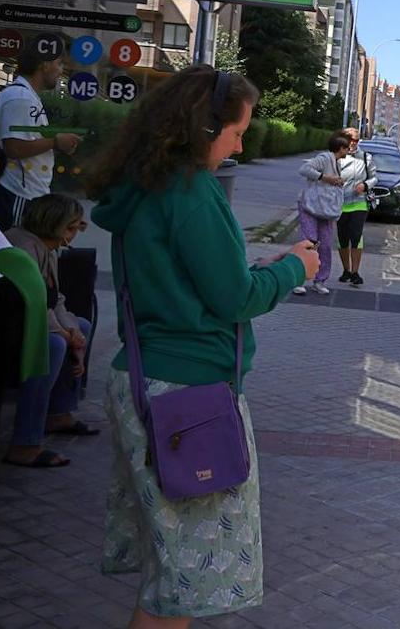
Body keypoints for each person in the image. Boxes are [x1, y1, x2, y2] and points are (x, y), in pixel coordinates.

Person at [87, 66, 320, 627]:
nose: (241, 143)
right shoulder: (193, 191)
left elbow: (187, 279)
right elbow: (235, 298)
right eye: (237, 132)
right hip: (189, 397)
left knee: (171, 568)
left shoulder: (143, 186)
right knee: (185, 581)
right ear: (203, 126)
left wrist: (251, 269)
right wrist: (293, 267)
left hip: (143, 379)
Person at [1, 193, 95, 468]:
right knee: (53, 345)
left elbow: (56, 299)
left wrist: (73, 331)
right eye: (73, 226)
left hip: (31, 319)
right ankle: (24, 442)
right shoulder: (23, 246)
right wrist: (66, 335)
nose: (76, 233)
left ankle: (59, 413)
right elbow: (33, 303)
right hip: (9, 325)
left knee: (82, 327)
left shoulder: (47, 246)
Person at [0, 41, 82, 229]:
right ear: (44, 65)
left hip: (24, 193)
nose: (61, 70)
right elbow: (13, 147)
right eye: (59, 63)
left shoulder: (25, 96)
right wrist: (55, 142)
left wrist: (57, 145)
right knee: (19, 252)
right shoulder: (20, 98)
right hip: (18, 192)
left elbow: (27, 144)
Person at [291, 133, 348, 295]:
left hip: (325, 208)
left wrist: (336, 181)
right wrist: (324, 177)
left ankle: (320, 280)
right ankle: (299, 279)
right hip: (310, 205)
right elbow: (304, 169)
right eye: (346, 147)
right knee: (309, 241)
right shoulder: (324, 158)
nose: (349, 150)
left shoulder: (337, 163)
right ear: (340, 148)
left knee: (326, 243)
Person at [336, 127, 377, 285]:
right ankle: (346, 270)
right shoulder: (337, 157)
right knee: (342, 238)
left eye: (356, 140)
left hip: (359, 203)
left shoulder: (366, 157)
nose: (353, 143)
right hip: (340, 204)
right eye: (350, 139)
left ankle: (355, 272)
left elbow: (374, 178)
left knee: (356, 235)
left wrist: (365, 185)